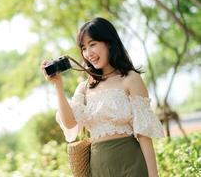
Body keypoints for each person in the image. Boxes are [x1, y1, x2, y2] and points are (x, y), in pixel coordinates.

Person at [40, 17, 165, 177]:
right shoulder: (84, 87)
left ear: (109, 43)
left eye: (92, 44)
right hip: (98, 167)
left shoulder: (130, 79)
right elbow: (69, 123)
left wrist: (153, 175)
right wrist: (58, 85)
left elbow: (143, 133)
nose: (88, 53)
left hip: (131, 163)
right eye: (84, 48)